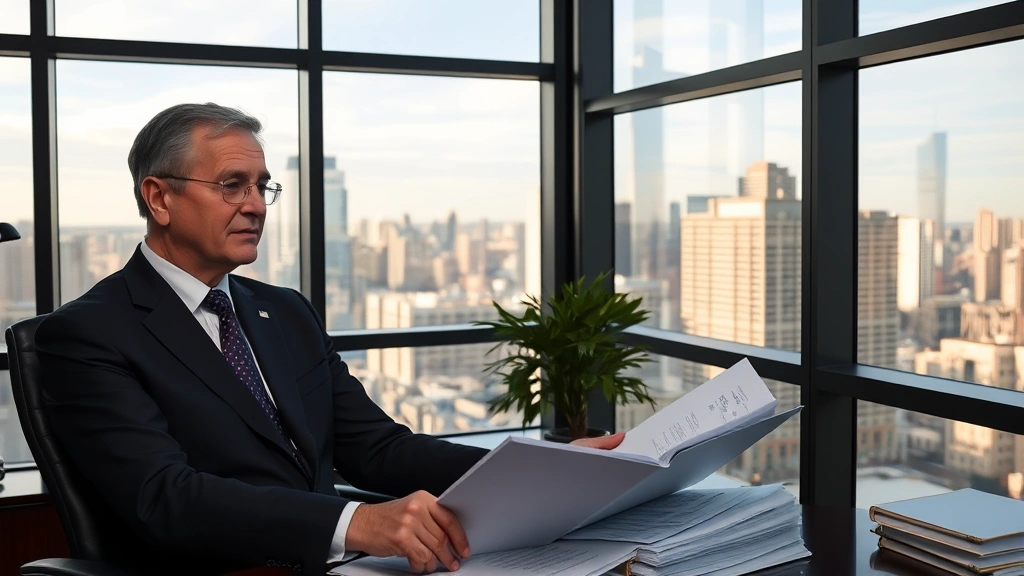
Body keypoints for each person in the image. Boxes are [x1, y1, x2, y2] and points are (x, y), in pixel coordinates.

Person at [36, 103, 623, 576]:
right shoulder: (87, 333)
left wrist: (546, 467)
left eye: (263, 187)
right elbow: (166, 497)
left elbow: (378, 450)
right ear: (159, 198)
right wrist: (357, 522)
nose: (254, 206)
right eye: (231, 185)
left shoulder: (284, 311)